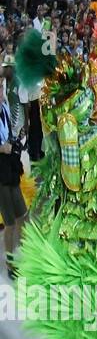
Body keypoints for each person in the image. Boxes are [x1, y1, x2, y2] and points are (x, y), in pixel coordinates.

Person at [0, 56, 26, 279]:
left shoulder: (5, 107)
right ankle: (10, 264)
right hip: (0, 173)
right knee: (9, 223)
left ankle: (22, 253)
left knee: (23, 215)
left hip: (11, 168)